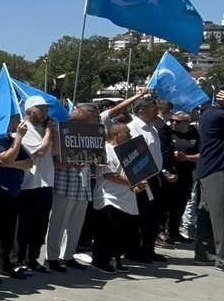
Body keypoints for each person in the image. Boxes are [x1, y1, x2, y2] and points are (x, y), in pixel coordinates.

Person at [193, 82, 224, 273]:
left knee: (207, 214)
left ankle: (206, 254)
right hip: (219, 169)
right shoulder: (219, 113)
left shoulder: (210, 114)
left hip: (207, 169)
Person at [43, 103, 98, 272]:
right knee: (58, 222)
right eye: (83, 121)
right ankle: (51, 257)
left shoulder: (89, 136)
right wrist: (72, 164)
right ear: (72, 121)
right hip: (65, 184)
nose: (87, 124)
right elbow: (53, 162)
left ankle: (68, 255)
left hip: (83, 184)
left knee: (76, 223)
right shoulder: (60, 134)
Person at [0, 119, 33, 281]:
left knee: (8, 232)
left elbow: (29, 163)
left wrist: (12, 164)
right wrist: (18, 137)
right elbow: (5, 158)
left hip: (12, 192)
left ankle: (4, 265)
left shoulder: (10, 140)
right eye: (15, 119)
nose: (19, 122)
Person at [91, 124, 145, 274]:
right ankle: (101, 260)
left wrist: (139, 184)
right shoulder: (105, 150)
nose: (130, 135)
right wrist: (132, 181)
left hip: (127, 197)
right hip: (110, 197)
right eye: (126, 132)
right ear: (115, 134)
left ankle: (115, 258)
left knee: (122, 232)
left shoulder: (128, 151)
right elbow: (109, 175)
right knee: (108, 231)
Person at [125, 95, 171, 263]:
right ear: (141, 111)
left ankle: (148, 249)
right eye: (153, 110)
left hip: (154, 177)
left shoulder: (152, 128)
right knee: (139, 216)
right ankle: (133, 250)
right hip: (139, 177)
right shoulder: (132, 128)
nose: (156, 113)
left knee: (153, 215)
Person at [16, 96, 55, 274]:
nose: (44, 113)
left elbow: (56, 151)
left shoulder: (44, 128)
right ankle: (20, 259)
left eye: (46, 110)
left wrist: (53, 131)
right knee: (26, 225)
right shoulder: (25, 128)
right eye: (41, 109)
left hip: (46, 182)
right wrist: (48, 132)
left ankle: (33, 258)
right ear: (30, 110)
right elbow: (40, 151)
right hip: (30, 184)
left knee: (40, 225)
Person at [164, 110, 199, 245]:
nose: (174, 123)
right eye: (172, 120)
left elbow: (202, 154)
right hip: (170, 174)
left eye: (177, 122)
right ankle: (163, 232)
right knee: (166, 204)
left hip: (186, 174)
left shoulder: (194, 134)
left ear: (187, 123)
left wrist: (186, 158)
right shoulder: (168, 133)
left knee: (180, 205)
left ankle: (174, 232)